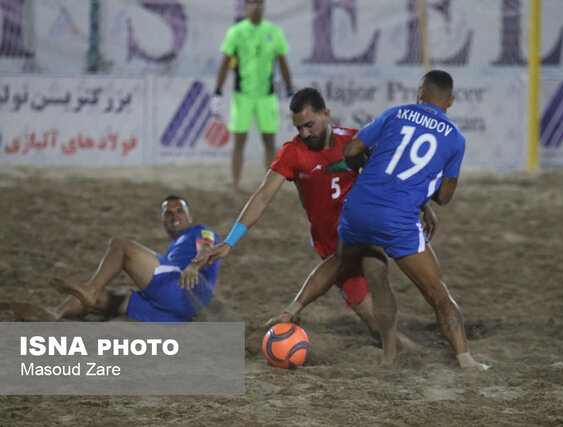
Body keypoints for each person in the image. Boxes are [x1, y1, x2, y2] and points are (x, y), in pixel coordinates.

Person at [263, 70, 489, 370]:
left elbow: (352, 150)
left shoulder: (395, 114)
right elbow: (445, 197)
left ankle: (293, 308)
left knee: (340, 259)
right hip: (398, 222)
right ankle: (465, 358)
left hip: (357, 210)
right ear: (451, 101)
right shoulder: (456, 139)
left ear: (419, 93)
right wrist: (424, 190)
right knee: (437, 292)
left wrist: (370, 164)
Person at [197, 87, 423, 348]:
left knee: (425, 278)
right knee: (379, 327)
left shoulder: (353, 141)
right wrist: (229, 241)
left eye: (309, 125)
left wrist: (423, 208)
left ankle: (293, 310)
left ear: (326, 114)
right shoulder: (292, 153)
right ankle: (415, 353)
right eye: (298, 128)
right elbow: (261, 198)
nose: (304, 134)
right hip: (331, 245)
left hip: (367, 231)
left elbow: (391, 175)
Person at [11, 196, 220, 322]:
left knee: (120, 245)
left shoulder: (199, 230)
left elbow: (207, 249)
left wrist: (194, 265)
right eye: (168, 213)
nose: (174, 216)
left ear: (189, 217)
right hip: (175, 315)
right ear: (161, 220)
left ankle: (90, 290)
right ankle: (55, 314)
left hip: (183, 290)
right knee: (103, 298)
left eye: (179, 211)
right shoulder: (175, 248)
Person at [211, 0, 294, 192]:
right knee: (239, 142)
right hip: (243, 97)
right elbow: (225, 63)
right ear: (245, 7)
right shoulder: (236, 32)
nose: (255, 7)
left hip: (267, 96)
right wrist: (217, 91)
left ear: (264, 6)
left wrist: (290, 89)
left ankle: (269, 186)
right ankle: (235, 184)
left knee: (269, 142)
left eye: (259, 3)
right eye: (251, 3)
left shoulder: (274, 32)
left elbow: (282, 63)